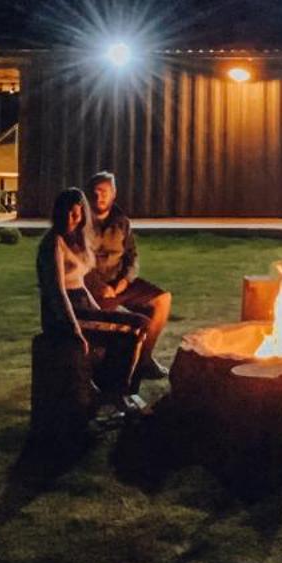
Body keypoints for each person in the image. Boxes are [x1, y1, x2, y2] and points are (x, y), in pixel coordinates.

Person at [36, 187, 144, 410]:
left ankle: (119, 389)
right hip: (64, 312)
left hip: (82, 304)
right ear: (57, 213)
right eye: (66, 212)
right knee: (124, 336)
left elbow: (81, 283)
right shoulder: (53, 243)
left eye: (76, 213)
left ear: (83, 215)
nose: (71, 218)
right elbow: (57, 292)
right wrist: (75, 330)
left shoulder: (77, 240)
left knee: (140, 324)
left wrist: (101, 312)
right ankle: (115, 392)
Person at [84, 169, 172, 388]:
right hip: (95, 288)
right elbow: (78, 264)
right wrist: (98, 285)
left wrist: (125, 280)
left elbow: (132, 256)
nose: (99, 197)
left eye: (104, 192)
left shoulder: (122, 222)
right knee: (126, 325)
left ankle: (145, 359)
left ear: (113, 194)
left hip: (120, 283)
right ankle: (114, 377)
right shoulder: (81, 222)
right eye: (94, 192)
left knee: (162, 300)